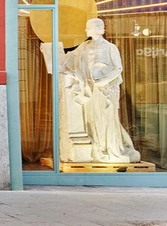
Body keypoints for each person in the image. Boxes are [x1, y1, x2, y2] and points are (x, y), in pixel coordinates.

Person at [58, 18, 141, 164]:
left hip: (106, 90)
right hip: (89, 89)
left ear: (98, 29)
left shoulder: (110, 47)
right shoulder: (84, 46)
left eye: (88, 27)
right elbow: (67, 60)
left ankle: (109, 148)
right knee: (91, 119)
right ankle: (98, 148)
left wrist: (105, 80)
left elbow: (118, 68)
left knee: (107, 119)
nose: (86, 30)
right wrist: (52, 52)